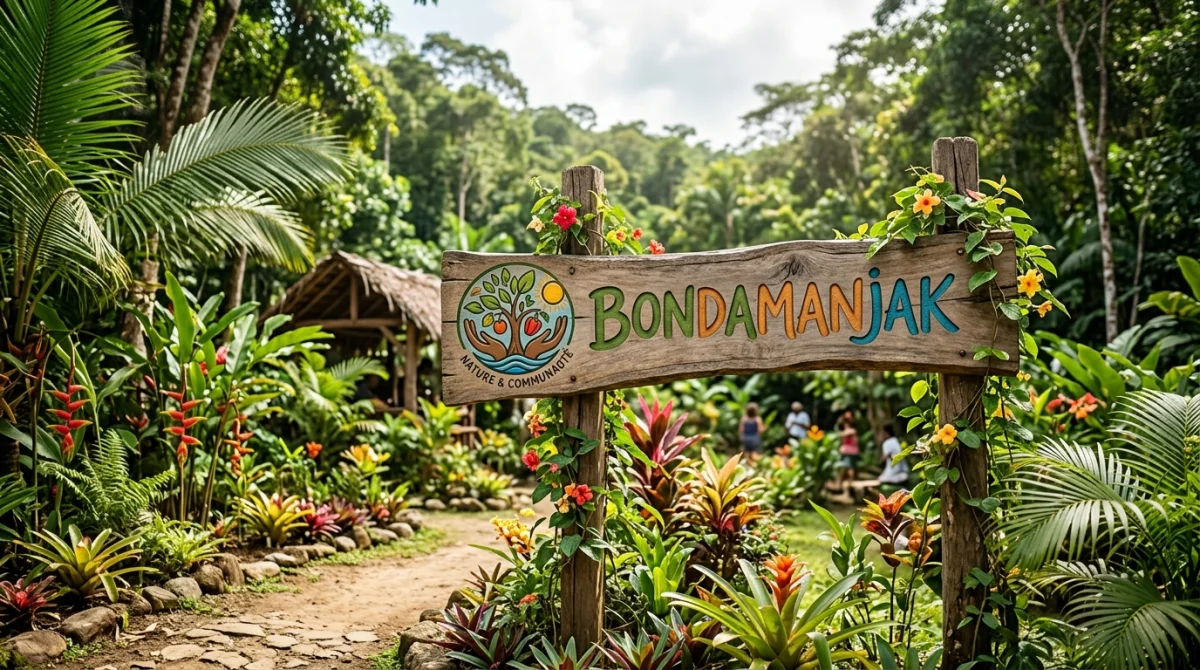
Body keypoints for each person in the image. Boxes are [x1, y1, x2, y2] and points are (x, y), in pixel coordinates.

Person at [837, 411, 860, 486]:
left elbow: (843, 435)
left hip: (850, 452)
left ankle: (846, 483)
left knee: (848, 467)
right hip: (849, 451)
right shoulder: (849, 431)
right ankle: (843, 483)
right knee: (848, 467)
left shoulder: (851, 431)